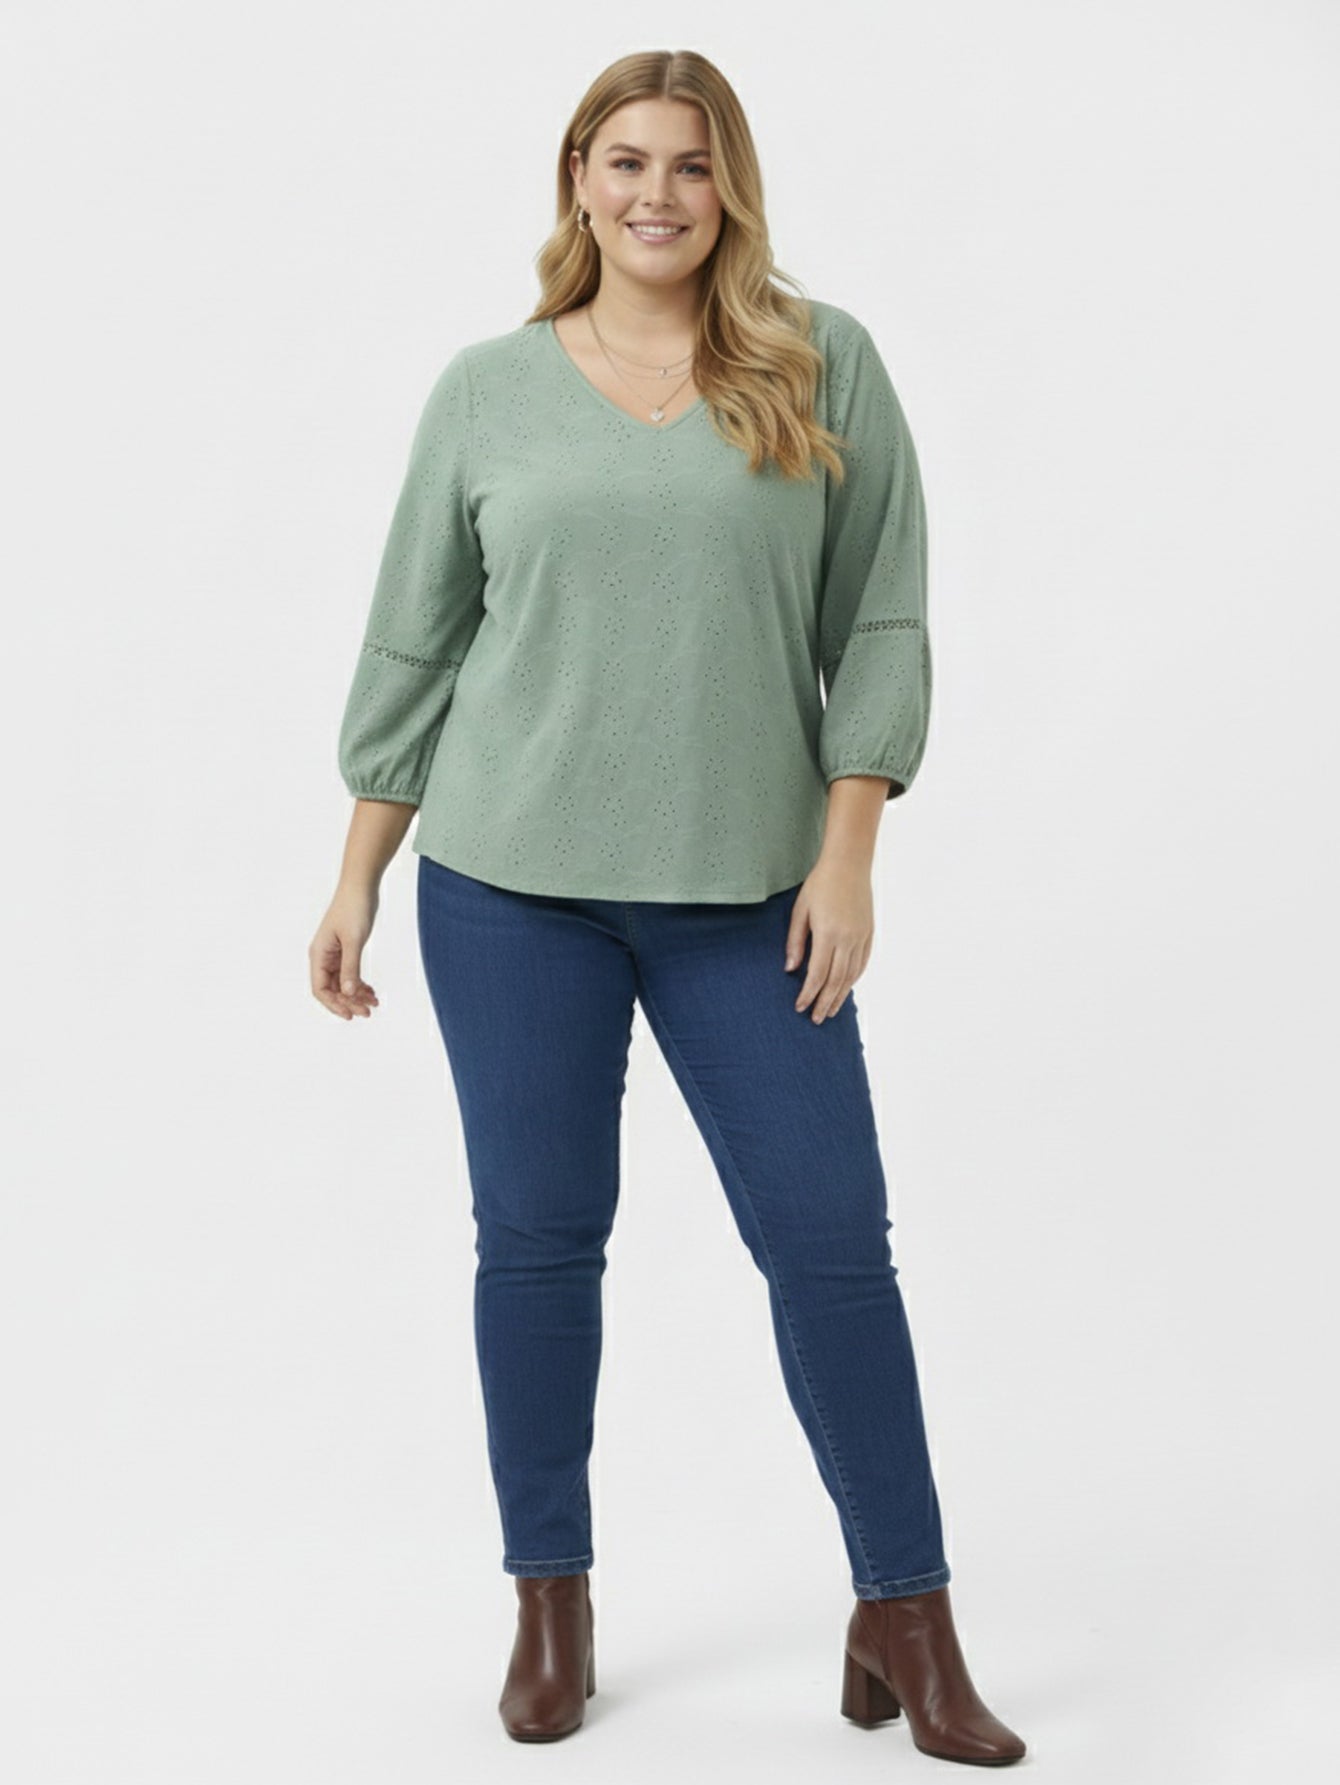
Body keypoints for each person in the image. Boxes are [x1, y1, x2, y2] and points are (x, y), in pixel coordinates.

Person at [309, 48, 1026, 1767]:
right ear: (578, 178)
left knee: (831, 1246)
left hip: (751, 895)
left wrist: (850, 852)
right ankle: (549, 1601)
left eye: (689, 166)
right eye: (624, 160)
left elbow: (882, 619)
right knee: (538, 1242)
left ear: (729, 188)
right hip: (508, 890)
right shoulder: (486, 390)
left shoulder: (818, 361)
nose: (655, 193)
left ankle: (906, 1611)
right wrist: (358, 868)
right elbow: (419, 640)